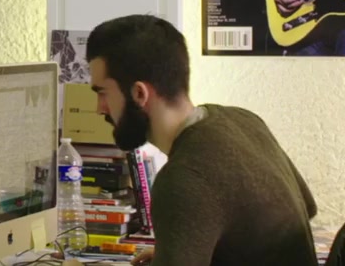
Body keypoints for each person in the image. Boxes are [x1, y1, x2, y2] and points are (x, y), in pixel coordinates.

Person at [85, 15, 317, 266]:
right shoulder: (242, 120)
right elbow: (307, 207)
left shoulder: (183, 179)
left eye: (102, 93)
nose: (99, 108)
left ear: (139, 93)